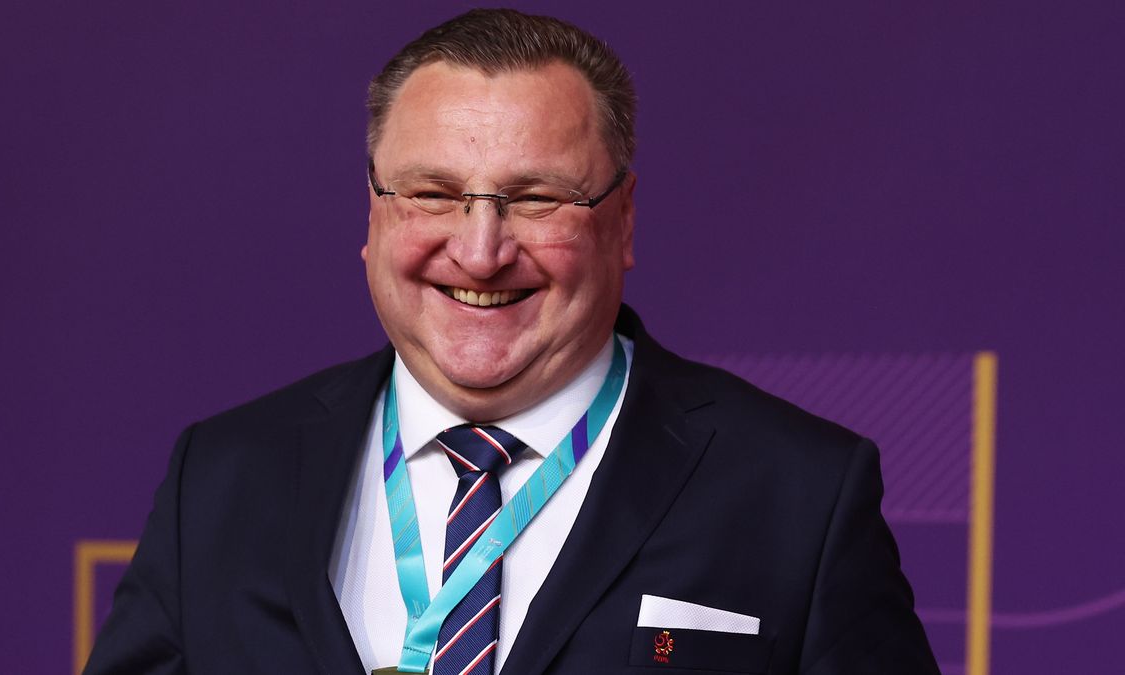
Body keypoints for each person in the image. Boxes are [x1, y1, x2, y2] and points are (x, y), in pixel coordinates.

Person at [85, 9, 939, 675]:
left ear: (624, 221)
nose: (481, 248)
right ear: (374, 213)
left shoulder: (795, 492)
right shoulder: (224, 478)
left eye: (535, 197)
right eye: (433, 192)